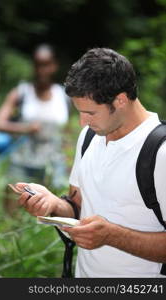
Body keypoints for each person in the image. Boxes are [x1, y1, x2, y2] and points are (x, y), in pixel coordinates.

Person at [15, 48, 166, 277]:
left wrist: (112, 235)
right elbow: (78, 209)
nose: (83, 121)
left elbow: (108, 233)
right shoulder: (88, 138)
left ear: (121, 100)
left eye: (90, 113)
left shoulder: (160, 152)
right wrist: (53, 204)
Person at [0, 44, 69, 213]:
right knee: (12, 215)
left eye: (46, 64)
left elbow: (67, 132)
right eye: (38, 65)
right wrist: (24, 128)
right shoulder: (21, 92)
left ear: (54, 66)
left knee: (47, 217)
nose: (42, 70)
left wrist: (70, 163)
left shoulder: (63, 96)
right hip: (21, 164)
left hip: (52, 165)